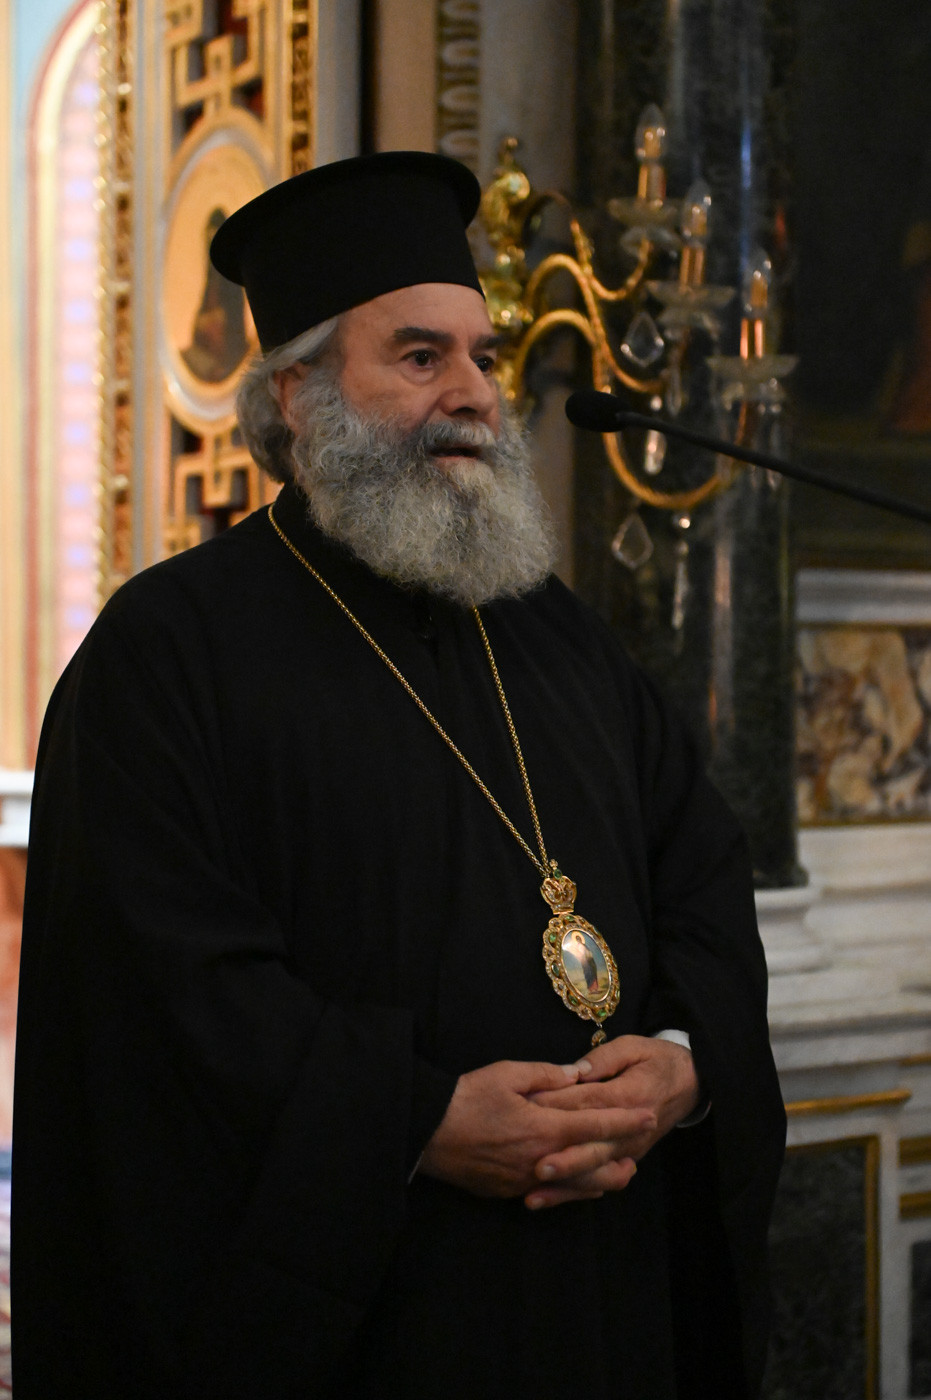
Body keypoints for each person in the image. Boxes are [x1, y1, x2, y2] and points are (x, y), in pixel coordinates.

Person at [13, 152, 785, 1400]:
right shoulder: (167, 655)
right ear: (298, 393)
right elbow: (151, 994)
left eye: (482, 356)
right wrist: (412, 1118)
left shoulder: (559, 634)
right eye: (420, 357)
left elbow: (701, 868)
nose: (473, 392)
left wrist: (687, 1055)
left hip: (604, 1283)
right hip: (368, 1314)